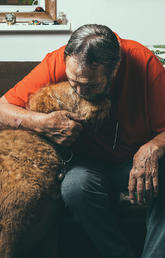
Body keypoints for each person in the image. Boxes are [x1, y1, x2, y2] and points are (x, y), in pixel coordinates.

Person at [0, 24, 165, 258]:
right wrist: (41, 123)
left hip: (133, 161)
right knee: (74, 188)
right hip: (87, 162)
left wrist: (153, 147)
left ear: (115, 70)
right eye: (73, 82)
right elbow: (2, 109)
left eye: (90, 85)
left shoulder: (144, 62)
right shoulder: (60, 59)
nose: (79, 91)